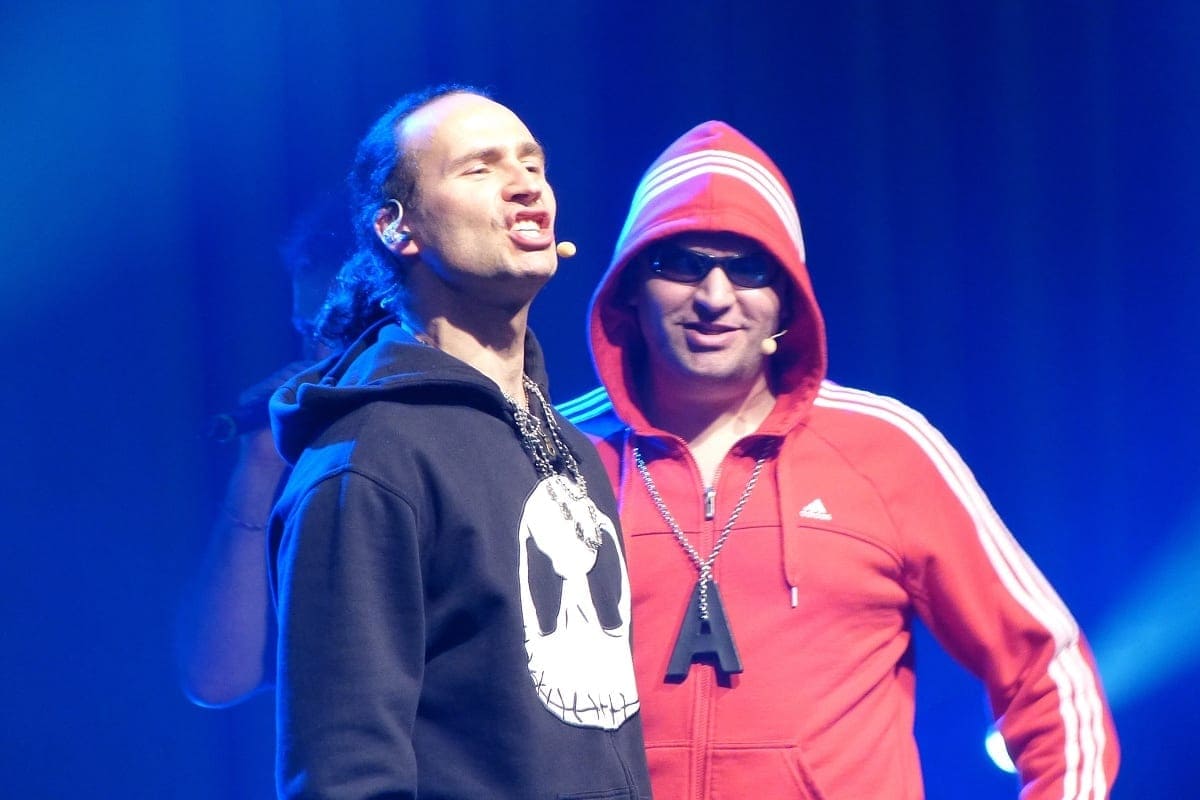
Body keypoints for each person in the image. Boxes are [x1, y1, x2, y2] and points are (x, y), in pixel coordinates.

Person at [564, 120, 1119, 799]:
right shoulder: (554, 448)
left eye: (749, 267)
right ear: (629, 287)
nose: (714, 297)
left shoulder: (886, 448)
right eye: (681, 263)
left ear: (787, 302)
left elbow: (1047, 668)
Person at [266, 85, 651, 799]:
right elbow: (345, 773)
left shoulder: (572, 449)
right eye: (480, 167)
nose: (526, 186)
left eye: (533, 165)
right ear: (397, 228)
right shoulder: (369, 460)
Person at [177, 193, 347, 707]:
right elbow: (214, 680)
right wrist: (259, 464)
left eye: (336, 328)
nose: (317, 354)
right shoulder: (305, 474)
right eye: (305, 332)